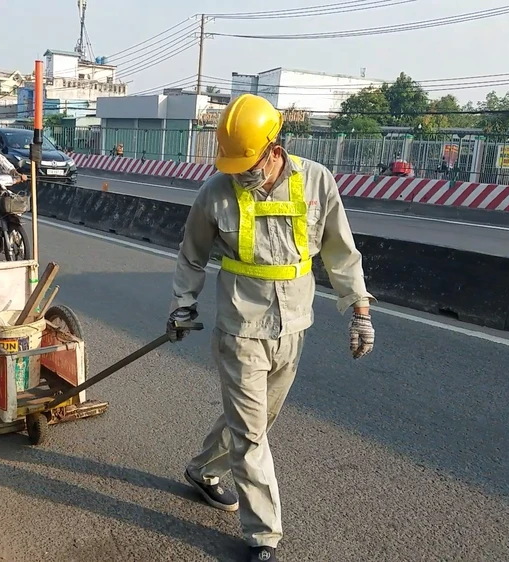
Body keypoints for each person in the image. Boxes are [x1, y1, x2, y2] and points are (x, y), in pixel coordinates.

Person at [166, 93, 376, 562]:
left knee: (259, 421)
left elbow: (341, 252)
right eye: (235, 163)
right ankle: (264, 536)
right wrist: (182, 305)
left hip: (294, 326)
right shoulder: (215, 192)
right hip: (239, 328)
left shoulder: (316, 182)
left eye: (250, 162)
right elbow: (191, 253)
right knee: (252, 435)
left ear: (273, 146)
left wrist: (359, 310)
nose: (243, 172)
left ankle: (202, 469)